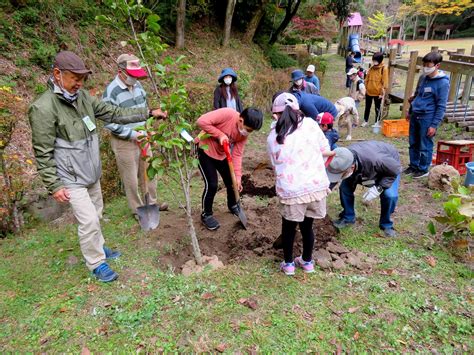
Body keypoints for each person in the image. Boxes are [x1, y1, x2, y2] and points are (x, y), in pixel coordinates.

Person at [28, 51, 167, 282]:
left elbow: (113, 113)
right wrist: (54, 184)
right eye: (74, 78)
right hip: (71, 177)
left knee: (97, 213)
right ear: (57, 74)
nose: (79, 84)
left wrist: (148, 112)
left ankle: (100, 248)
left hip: (91, 171)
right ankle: (96, 262)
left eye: (82, 79)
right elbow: (42, 151)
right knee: (88, 220)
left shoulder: (82, 97)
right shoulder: (43, 108)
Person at [267, 93, 331, 275]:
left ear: (275, 115)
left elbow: (274, 163)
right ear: (298, 110)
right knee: (307, 227)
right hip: (314, 186)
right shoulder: (311, 124)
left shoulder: (273, 136)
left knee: (288, 229)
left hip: (291, 190)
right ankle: (307, 262)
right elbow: (325, 149)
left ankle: (288, 265)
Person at [102, 54, 168, 221]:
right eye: (131, 75)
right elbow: (108, 122)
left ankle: (151, 203)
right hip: (124, 142)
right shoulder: (111, 92)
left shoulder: (138, 86)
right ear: (120, 72)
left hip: (143, 137)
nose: (134, 78)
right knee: (130, 178)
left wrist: (150, 125)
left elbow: (143, 110)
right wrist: (132, 134)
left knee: (150, 172)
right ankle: (138, 209)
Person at [196, 107, 263, 230]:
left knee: (232, 183)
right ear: (241, 120)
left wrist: (238, 177)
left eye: (251, 131)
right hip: (205, 150)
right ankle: (207, 214)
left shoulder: (243, 135)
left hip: (222, 154)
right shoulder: (227, 114)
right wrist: (220, 134)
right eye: (248, 129)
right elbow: (201, 121)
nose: (248, 133)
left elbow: (237, 154)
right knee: (212, 185)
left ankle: (233, 205)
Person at [328, 141, 402, 238]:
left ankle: (386, 224)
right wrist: (326, 189)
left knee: (390, 196)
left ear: (352, 167)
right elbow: (335, 176)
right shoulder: (344, 158)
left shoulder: (377, 160)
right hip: (361, 164)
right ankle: (348, 217)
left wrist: (379, 188)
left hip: (389, 168)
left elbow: (396, 169)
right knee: (345, 188)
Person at [405, 51, 450, 179]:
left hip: (427, 117)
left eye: (428, 65)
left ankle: (423, 168)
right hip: (416, 115)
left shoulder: (443, 83)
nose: (425, 67)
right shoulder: (423, 78)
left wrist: (434, 125)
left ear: (437, 66)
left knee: (425, 144)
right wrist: (410, 110)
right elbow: (418, 95)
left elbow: (441, 106)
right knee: (413, 142)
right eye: (424, 64)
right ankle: (413, 165)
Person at [362, 52, 388, 127]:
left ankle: (377, 122)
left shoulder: (384, 68)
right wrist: (365, 88)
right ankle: (365, 120)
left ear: (380, 60)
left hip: (378, 93)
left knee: (377, 108)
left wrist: (382, 93)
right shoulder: (371, 68)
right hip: (369, 91)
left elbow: (385, 82)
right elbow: (367, 78)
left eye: (376, 60)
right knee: (367, 107)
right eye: (373, 60)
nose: (374, 62)